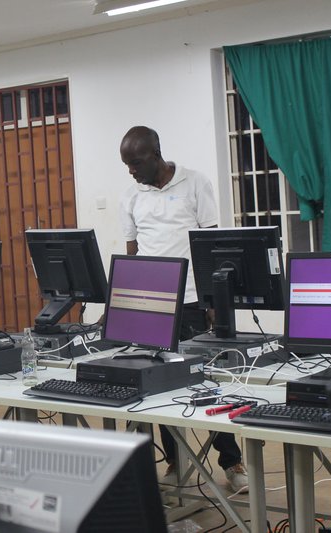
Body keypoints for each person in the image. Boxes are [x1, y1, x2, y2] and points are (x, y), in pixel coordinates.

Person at [117, 125, 248, 493]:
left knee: (207, 382)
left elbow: (213, 244)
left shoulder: (193, 183)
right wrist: (129, 303)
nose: (132, 170)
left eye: (137, 162)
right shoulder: (131, 196)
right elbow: (133, 253)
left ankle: (232, 461)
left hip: (192, 300)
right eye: (127, 164)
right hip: (153, 307)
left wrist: (212, 302)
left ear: (156, 153)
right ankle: (175, 460)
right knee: (157, 386)